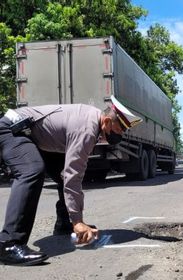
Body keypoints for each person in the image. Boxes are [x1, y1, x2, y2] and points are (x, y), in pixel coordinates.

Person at [0, 95, 142, 265]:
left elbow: (68, 173)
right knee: (31, 171)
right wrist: (78, 221)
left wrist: (74, 220)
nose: (120, 135)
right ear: (106, 122)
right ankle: (8, 244)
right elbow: (74, 175)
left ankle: (64, 224)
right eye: (119, 130)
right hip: (12, 130)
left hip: (33, 135)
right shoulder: (87, 129)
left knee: (62, 173)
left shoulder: (92, 119)